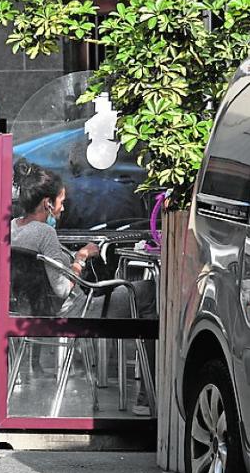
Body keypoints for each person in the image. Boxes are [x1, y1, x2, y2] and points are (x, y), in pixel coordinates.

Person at [11, 161, 157, 412]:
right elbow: (62, 289)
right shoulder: (45, 233)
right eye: (61, 201)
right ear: (47, 203)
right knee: (148, 291)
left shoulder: (13, 227)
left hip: (34, 310)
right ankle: (148, 397)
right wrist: (81, 257)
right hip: (75, 311)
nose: (64, 207)